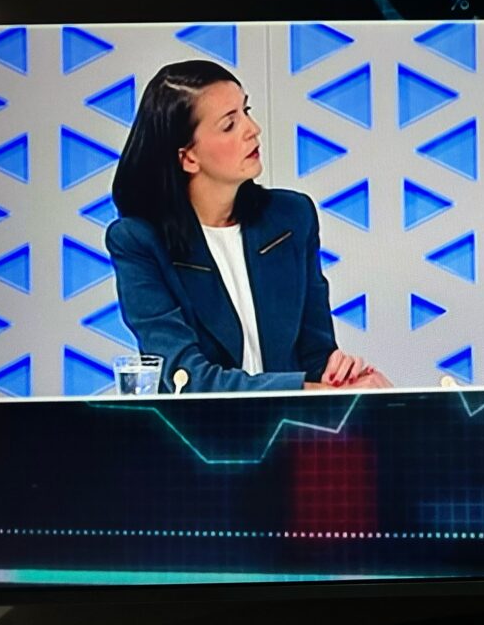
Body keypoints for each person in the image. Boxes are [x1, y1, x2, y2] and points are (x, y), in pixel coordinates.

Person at [106, 60, 391, 393]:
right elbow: (188, 379)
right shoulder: (139, 241)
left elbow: (314, 355)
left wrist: (341, 377)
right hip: (200, 427)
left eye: (246, 111)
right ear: (188, 158)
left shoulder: (292, 217)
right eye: (229, 124)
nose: (252, 129)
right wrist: (308, 391)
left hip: (292, 423)